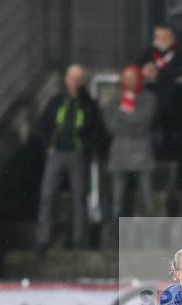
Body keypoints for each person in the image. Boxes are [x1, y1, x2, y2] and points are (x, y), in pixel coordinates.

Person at [36, 64, 106, 252]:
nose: (74, 82)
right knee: (47, 195)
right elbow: (43, 125)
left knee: (79, 196)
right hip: (56, 153)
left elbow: (96, 130)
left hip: (77, 154)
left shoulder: (88, 103)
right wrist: (48, 144)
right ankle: (44, 238)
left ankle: (79, 239)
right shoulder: (56, 101)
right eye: (71, 78)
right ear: (66, 80)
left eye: (78, 79)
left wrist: (85, 147)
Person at [139, 24, 182, 203]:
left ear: (172, 38)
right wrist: (144, 73)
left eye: (164, 37)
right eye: (157, 36)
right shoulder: (148, 54)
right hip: (154, 116)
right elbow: (135, 71)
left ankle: (181, 190)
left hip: (179, 115)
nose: (160, 40)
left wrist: (161, 74)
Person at [103, 64, 157, 245]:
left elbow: (143, 123)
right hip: (119, 156)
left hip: (142, 155)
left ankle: (151, 242)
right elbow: (111, 126)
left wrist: (124, 116)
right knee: (118, 202)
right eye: (127, 77)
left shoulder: (148, 99)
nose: (130, 81)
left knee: (148, 202)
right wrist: (130, 118)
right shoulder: (114, 100)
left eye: (133, 77)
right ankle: (115, 241)